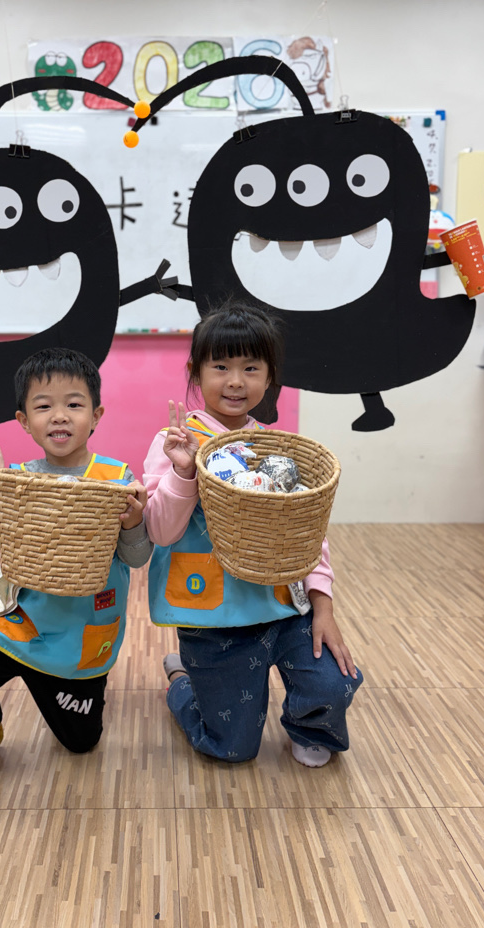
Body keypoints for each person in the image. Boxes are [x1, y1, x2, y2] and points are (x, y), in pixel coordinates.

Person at [143, 300, 362, 766]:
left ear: (269, 377)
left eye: (251, 367)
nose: (236, 381)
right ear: (196, 372)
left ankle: (307, 727)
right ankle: (183, 682)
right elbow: (159, 532)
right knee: (232, 748)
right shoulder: (176, 441)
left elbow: (307, 531)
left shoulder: (274, 446)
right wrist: (184, 473)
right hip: (214, 616)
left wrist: (323, 606)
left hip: (283, 607)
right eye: (220, 366)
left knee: (333, 682)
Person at [0, 347, 151, 787]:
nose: (60, 416)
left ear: (96, 415)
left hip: (80, 638)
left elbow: (136, 558)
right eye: (44, 406)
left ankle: (49, 683)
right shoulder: (19, 476)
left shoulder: (117, 478)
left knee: (81, 744)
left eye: (74, 404)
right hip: (22, 621)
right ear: (24, 421)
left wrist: (132, 523)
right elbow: (9, 546)